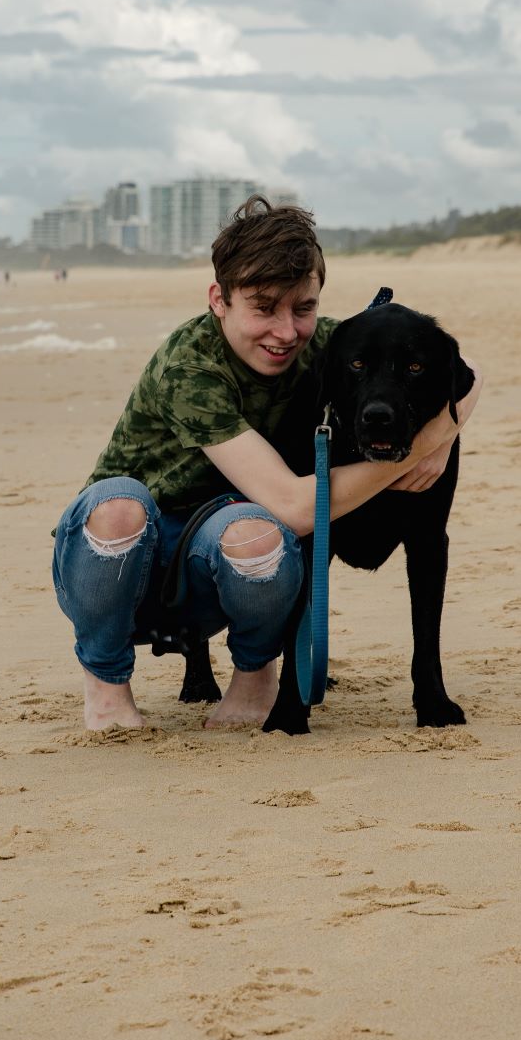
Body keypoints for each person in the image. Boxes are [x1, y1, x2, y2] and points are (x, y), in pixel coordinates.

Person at [50, 197, 480, 730]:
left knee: (256, 531)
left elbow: (467, 371)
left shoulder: (321, 345)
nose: (285, 331)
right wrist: (412, 453)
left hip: (216, 557)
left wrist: (443, 435)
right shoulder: (190, 368)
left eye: (303, 308)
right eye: (263, 307)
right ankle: (107, 684)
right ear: (219, 300)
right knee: (120, 507)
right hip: (124, 568)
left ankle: (255, 675)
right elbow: (299, 508)